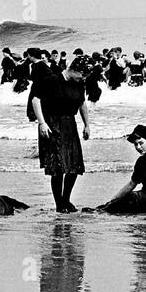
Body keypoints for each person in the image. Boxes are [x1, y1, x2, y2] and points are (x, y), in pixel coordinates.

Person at [32, 57, 91, 213]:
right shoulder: (52, 80)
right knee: (58, 167)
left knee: (74, 165)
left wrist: (87, 124)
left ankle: (66, 199)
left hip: (70, 124)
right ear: (74, 70)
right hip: (52, 124)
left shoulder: (79, 83)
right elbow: (35, 100)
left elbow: (82, 103)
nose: (82, 79)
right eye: (82, 75)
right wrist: (42, 123)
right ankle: (59, 204)